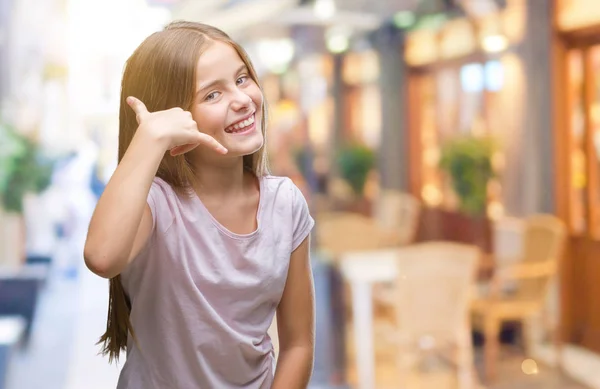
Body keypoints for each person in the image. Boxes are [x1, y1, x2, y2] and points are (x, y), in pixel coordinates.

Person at [83, 21, 316, 389]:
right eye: (212, 95)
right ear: (172, 117)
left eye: (242, 79)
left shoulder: (285, 204)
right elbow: (101, 256)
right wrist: (148, 139)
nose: (242, 99)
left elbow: (298, 344)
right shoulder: (156, 204)